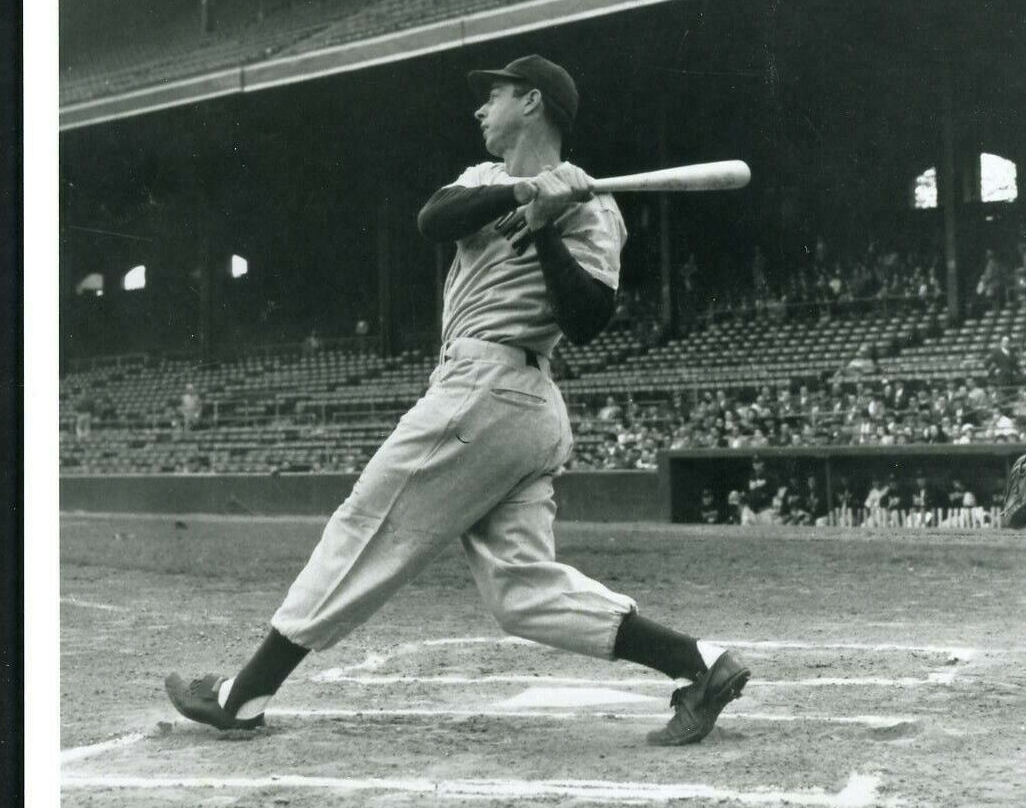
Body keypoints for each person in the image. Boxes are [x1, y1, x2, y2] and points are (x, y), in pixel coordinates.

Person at [165, 54, 749, 748]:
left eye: (495, 96)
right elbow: (433, 218)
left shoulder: (595, 210)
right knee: (523, 594)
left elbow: (589, 318)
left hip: (492, 392)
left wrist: (545, 231)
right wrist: (526, 192)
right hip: (504, 407)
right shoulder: (484, 181)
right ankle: (701, 665)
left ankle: (243, 696)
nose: (480, 109)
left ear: (531, 103)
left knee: (365, 525)